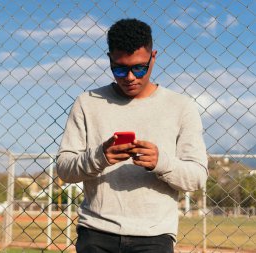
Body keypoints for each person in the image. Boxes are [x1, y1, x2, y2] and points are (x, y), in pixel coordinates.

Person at [56, 18, 208, 253]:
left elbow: (197, 177)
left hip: (154, 237)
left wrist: (161, 162)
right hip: (96, 233)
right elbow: (64, 169)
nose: (129, 77)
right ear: (109, 59)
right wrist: (100, 157)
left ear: (153, 57)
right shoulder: (87, 103)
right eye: (119, 68)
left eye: (139, 68)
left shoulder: (181, 107)